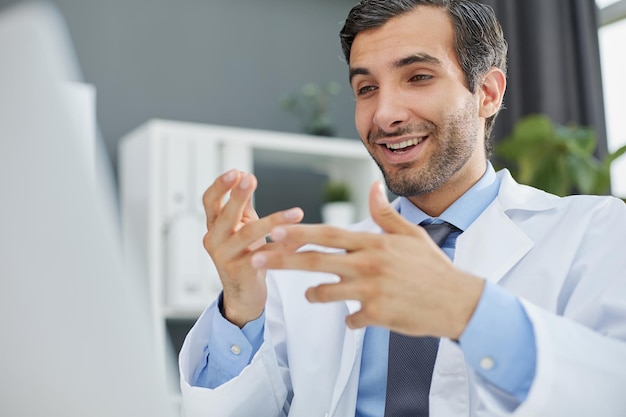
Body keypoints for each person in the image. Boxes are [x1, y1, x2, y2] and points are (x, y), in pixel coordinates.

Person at [179, 1, 626, 416]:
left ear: (486, 93)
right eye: (366, 87)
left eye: (418, 77)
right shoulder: (306, 269)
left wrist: (469, 310)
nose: (384, 114)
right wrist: (240, 306)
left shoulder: (596, 232)